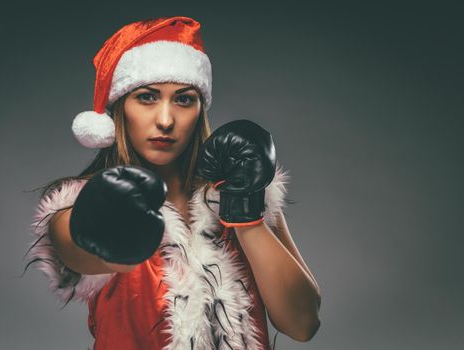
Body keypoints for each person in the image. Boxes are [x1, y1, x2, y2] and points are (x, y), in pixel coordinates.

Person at [25, 16, 321, 350]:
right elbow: (79, 245)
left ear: (200, 109)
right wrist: (104, 231)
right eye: (147, 97)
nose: (166, 120)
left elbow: (302, 323)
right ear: (120, 108)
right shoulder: (84, 202)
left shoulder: (240, 189)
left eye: (183, 99)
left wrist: (243, 210)